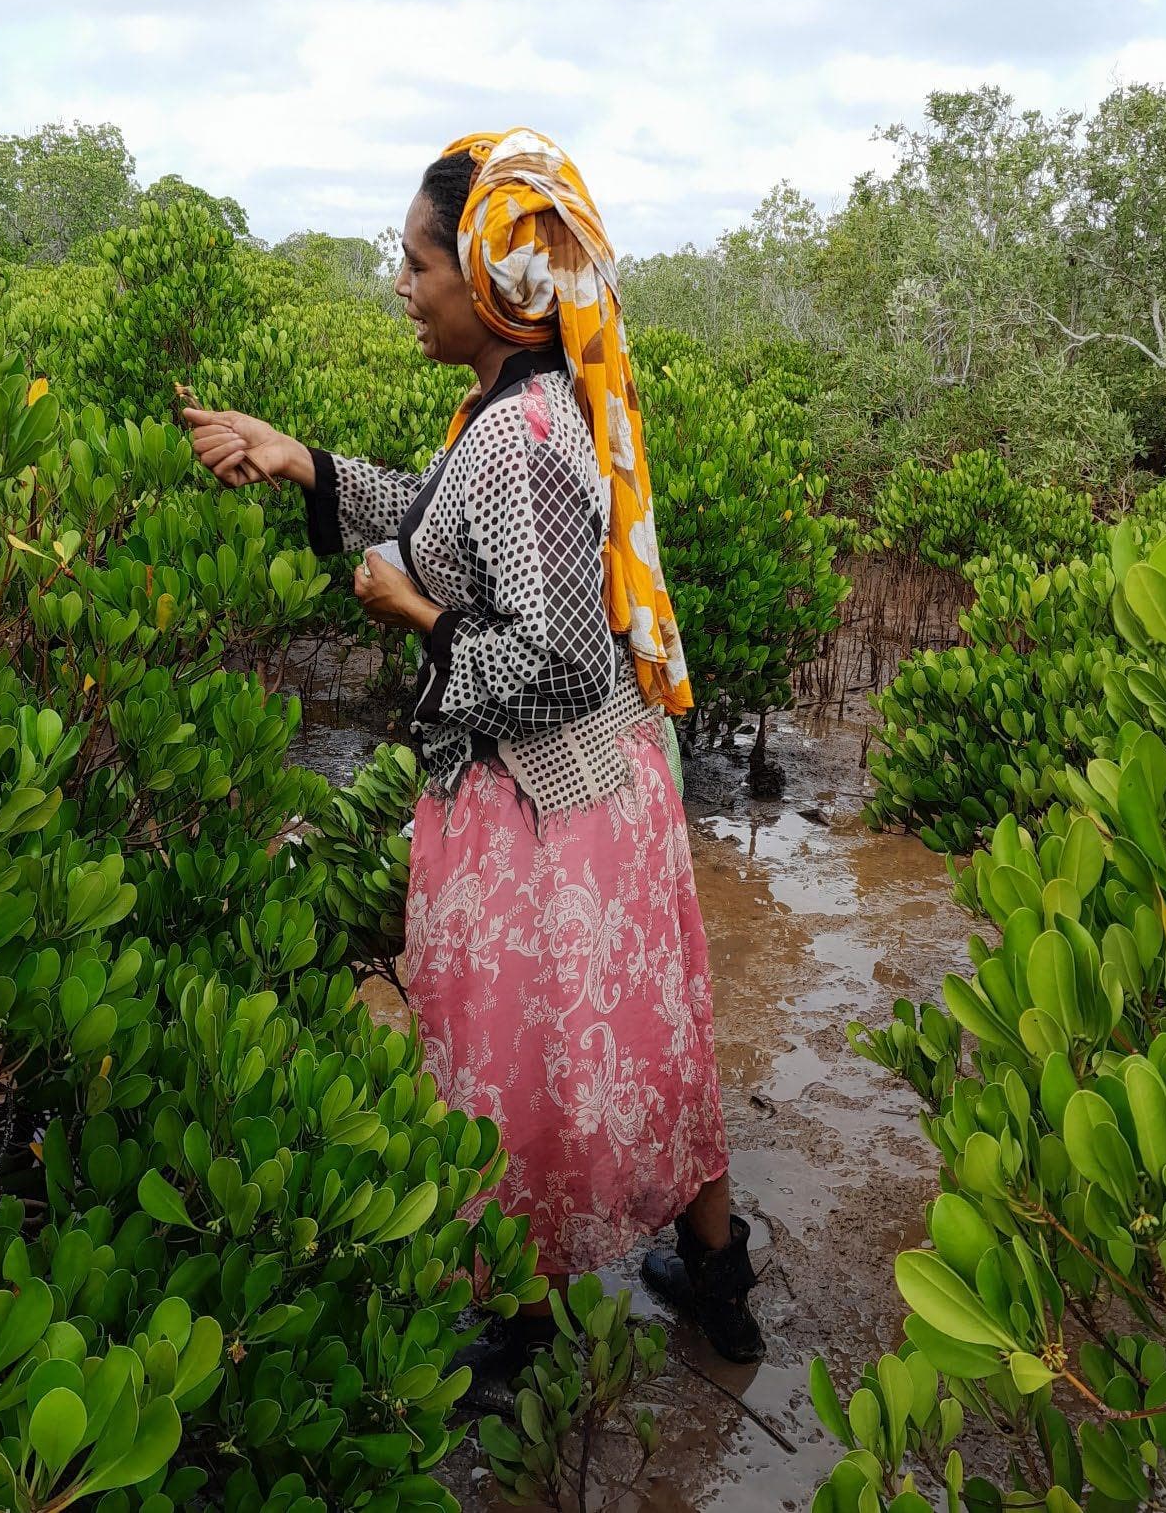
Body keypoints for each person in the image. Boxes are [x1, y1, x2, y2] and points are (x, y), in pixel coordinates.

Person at [183, 128, 760, 1385]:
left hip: (548, 811)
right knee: (649, 1033)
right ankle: (722, 1281)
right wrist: (304, 462)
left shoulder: (524, 434)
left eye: (414, 262)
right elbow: (451, 518)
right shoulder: (524, 407)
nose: (401, 284)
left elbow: (550, 658)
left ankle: (525, 1325)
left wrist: (417, 619)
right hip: (604, 790)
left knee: (512, 1065)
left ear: (493, 280)